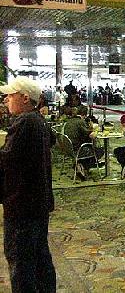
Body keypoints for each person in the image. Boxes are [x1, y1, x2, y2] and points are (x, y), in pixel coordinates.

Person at [0, 76, 56, 292]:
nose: (5, 99)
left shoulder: (24, 122)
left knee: (22, 264)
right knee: (40, 259)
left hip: (23, 205)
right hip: (37, 203)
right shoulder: (38, 121)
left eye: (10, 95)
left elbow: (7, 161)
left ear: (24, 98)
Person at [63, 105, 104, 180]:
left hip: (68, 149)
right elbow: (90, 135)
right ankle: (82, 165)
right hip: (78, 150)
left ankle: (80, 165)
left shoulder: (68, 122)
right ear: (84, 115)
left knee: (90, 147)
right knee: (100, 150)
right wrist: (94, 129)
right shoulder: (80, 122)